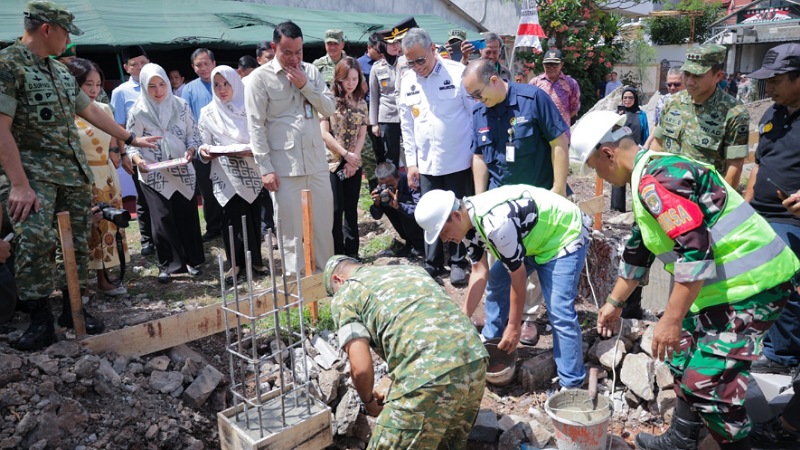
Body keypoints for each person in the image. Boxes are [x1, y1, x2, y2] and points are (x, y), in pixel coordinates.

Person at [573, 110, 800, 450]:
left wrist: (671, 318)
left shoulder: (656, 180)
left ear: (607, 154)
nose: (599, 176)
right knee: (680, 358)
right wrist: (613, 304)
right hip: (723, 291)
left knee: (708, 386)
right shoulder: (651, 174)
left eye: (594, 167)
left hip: (753, 288)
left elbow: (695, 250)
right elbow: (639, 247)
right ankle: (680, 440)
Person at [0, 0, 158, 350]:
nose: (69, 40)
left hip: (72, 173)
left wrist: (129, 137)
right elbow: (1, 128)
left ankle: (74, 309)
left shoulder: (58, 70)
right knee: (35, 243)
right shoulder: (8, 66)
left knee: (76, 241)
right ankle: (40, 318)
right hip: (33, 176)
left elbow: (88, 110)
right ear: (46, 29)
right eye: (66, 31)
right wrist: (19, 184)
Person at [415, 186, 590, 390]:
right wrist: (463, 317)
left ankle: (572, 384)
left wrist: (514, 326)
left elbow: (518, 276)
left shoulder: (495, 224)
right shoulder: (465, 223)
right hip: (530, 237)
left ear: (455, 215)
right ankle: (492, 339)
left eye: (444, 232)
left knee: (559, 311)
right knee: (497, 280)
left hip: (562, 234)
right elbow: (480, 271)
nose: (445, 239)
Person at [323, 255, 488, 449]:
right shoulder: (409, 270)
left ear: (337, 280)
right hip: (475, 359)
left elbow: (360, 368)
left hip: (429, 374)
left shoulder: (347, 292)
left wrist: (369, 402)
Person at [462, 58, 570, 345]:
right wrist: (480, 199)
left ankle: (529, 318)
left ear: (494, 80)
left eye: (478, 93)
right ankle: (495, 335)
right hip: (499, 206)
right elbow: (479, 157)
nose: (476, 100)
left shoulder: (532, 99)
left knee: (529, 269)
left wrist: (558, 189)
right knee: (503, 268)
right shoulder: (479, 113)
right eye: (472, 96)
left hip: (536, 203)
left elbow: (558, 141)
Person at [245, 21, 336, 275]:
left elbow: (329, 109)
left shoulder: (311, 73)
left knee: (322, 227)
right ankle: (296, 285)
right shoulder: (259, 80)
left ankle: (324, 282)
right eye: (287, 52)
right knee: (291, 233)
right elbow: (256, 127)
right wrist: (265, 168)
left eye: (299, 52)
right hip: (284, 169)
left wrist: (305, 85)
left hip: (317, 164)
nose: (294, 58)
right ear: (274, 47)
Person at [398, 27, 475, 286]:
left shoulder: (457, 73)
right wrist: (411, 163)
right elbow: (407, 126)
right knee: (430, 213)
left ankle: (458, 262)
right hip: (427, 162)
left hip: (458, 160)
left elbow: (474, 115)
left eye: (421, 59)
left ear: (433, 49)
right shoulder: (407, 81)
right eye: (411, 62)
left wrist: (477, 155)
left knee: (456, 213)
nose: (417, 66)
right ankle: (432, 263)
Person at [743, 43, 800, 375]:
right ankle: (761, 343)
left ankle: (781, 358)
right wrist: (746, 208)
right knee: (751, 282)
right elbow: (758, 166)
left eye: (776, 80)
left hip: (790, 219)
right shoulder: (772, 113)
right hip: (759, 215)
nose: (769, 87)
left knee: (783, 286)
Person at [127, 63, 205, 284]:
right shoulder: (138, 110)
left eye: (162, 84)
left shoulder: (181, 106)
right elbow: (131, 145)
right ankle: (168, 264)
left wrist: (191, 150)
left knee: (186, 215)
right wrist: (139, 161)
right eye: (151, 86)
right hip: (153, 172)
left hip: (181, 168)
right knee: (161, 218)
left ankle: (191, 260)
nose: (158, 91)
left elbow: (193, 135)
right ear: (143, 86)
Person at [67, 58, 130, 298]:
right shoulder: (67, 114)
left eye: (98, 84)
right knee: (85, 228)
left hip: (107, 176)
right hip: (82, 178)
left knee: (108, 226)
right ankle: (79, 284)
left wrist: (120, 153)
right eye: (88, 85)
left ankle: (104, 279)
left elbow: (114, 139)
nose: (94, 90)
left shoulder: (103, 110)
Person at [198, 66, 267, 283]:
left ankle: (256, 261)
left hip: (250, 170)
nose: (221, 89)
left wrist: (252, 149)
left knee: (253, 216)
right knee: (231, 218)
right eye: (216, 85)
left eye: (226, 83)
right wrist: (205, 152)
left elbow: (261, 135)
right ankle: (235, 265)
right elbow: (203, 143)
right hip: (225, 173)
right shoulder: (207, 113)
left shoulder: (249, 107)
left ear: (235, 83)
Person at [649, 44, 750, 190]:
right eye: (687, 74)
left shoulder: (734, 113)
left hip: (704, 200)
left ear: (718, 76)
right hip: (666, 193)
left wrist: (720, 207)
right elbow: (657, 145)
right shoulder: (673, 102)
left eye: (698, 76)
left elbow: (734, 168)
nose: (689, 81)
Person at [321, 57, 367, 258]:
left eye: (355, 79)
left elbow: (362, 133)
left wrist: (354, 159)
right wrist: (345, 155)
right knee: (335, 209)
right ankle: (337, 254)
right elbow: (324, 133)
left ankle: (353, 254)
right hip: (333, 162)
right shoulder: (328, 101)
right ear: (338, 79)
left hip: (353, 163)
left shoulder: (361, 103)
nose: (351, 83)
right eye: (347, 79)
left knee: (351, 209)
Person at [111, 44, 154, 256]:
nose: (140, 68)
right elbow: (118, 126)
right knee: (144, 196)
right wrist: (123, 154)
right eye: (134, 65)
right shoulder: (121, 93)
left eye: (143, 63)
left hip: (160, 150)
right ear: (127, 68)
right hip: (137, 152)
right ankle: (147, 239)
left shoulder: (158, 84)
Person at [182, 48, 222, 241]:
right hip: (202, 148)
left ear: (214, 63)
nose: (203, 68)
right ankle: (214, 227)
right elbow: (186, 119)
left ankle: (232, 222)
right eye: (199, 65)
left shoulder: (224, 83)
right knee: (207, 189)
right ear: (193, 67)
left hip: (225, 146)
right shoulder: (189, 89)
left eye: (207, 63)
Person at [368, 21, 412, 169]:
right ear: (383, 46)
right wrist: (374, 123)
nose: (396, 46)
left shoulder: (407, 62)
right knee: (391, 155)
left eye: (398, 42)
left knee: (410, 151)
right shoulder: (377, 67)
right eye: (391, 43)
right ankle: (394, 187)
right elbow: (374, 96)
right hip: (387, 116)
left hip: (408, 112)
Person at [369, 161, 424, 257]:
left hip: (419, 225)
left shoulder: (410, 182)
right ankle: (409, 243)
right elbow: (376, 216)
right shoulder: (381, 189)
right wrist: (376, 204)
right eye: (383, 184)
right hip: (402, 221)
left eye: (391, 184)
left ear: (398, 176)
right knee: (386, 206)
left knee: (404, 211)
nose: (387, 188)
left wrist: (400, 206)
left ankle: (420, 245)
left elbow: (421, 211)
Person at [610, 86, 649, 213]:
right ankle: (617, 208)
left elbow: (645, 133)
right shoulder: (617, 114)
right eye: (625, 98)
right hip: (619, 151)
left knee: (636, 180)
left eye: (630, 98)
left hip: (636, 151)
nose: (627, 100)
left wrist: (645, 150)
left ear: (635, 99)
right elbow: (610, 133)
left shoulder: (641, 114)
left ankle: (637, 209)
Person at [356, 32, 383, 190]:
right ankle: (374, 186)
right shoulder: (358, 64)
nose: (381, 54)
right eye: (378, 51)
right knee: (369, 152)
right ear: (369, 48)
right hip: (365, 115)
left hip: (383, 114)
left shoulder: (386, 62)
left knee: (382, 150)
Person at [530, 49, 580, 128]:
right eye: (547, 65)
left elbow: (574, 108)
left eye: (554, 65)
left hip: (562, 129)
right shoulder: (535, 83)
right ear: (543, 65)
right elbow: (530, 106)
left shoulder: (571, 83)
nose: (551, 68)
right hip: (541, 129)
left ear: (562, 64)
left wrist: (560, 120)